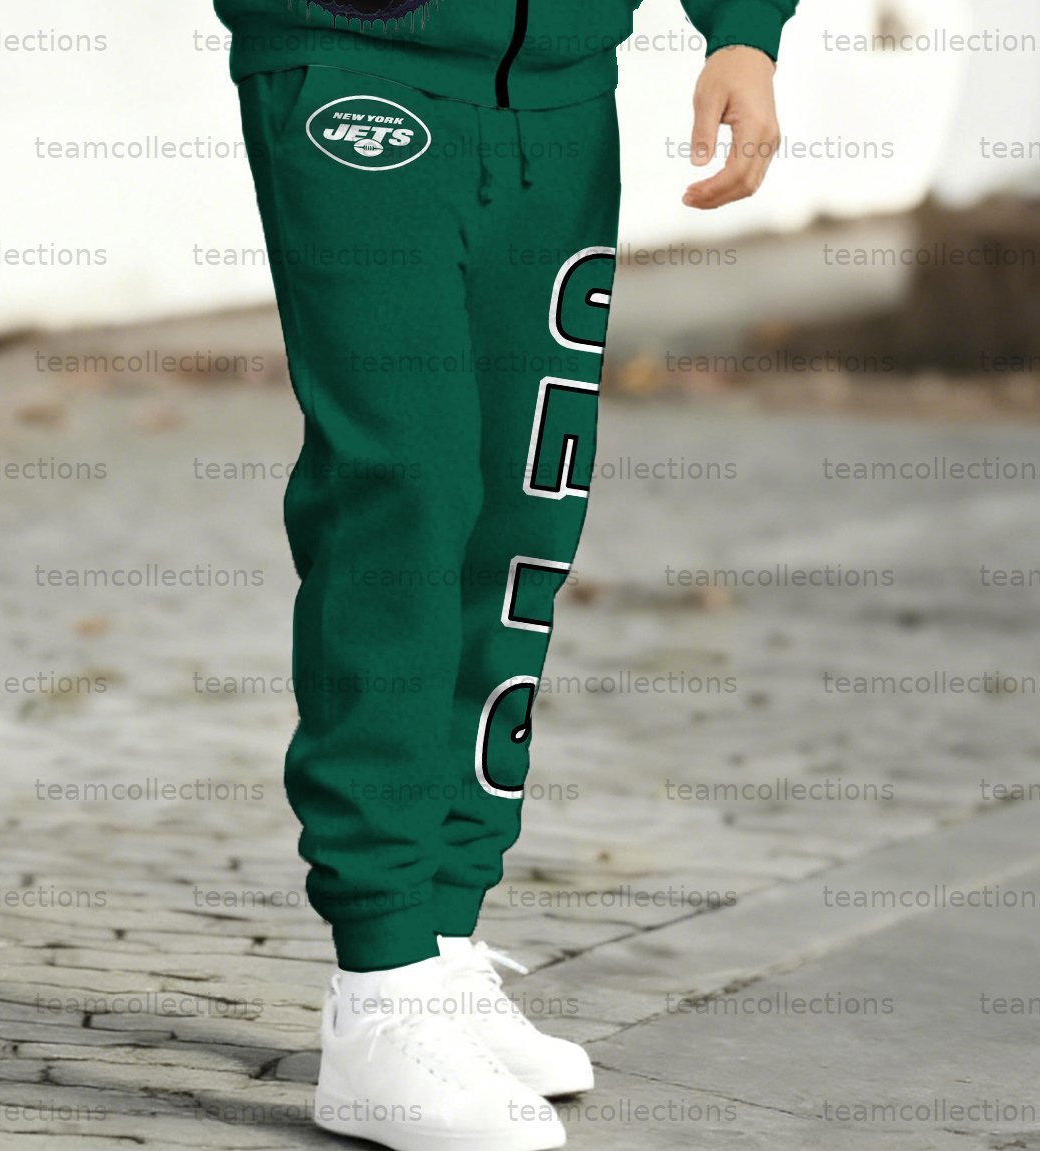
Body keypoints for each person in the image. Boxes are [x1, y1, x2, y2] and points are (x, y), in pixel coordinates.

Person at [214, 1, 796, 1147]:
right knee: (402, 488)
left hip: (562, 88)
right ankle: (379, 980)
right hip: (355, 62)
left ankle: (439, 940)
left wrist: (742, 31)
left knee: (521, 504)